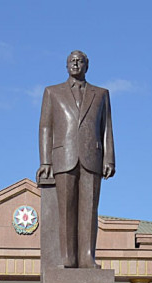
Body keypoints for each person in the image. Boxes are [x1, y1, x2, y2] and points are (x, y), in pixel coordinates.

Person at [37, 50, 115, 269]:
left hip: (93, 157)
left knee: (89, 211)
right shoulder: (52, 92)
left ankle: (87, 256)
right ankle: (67, 257)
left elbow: (106, 128)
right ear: (66, 65)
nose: (76, 64)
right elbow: (45, 127)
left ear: (87, 66)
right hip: (63, 156)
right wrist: (45, 161)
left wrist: (109, 158)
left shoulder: (101, 94)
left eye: (80, 61)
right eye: (72, 61)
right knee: (66, 210)